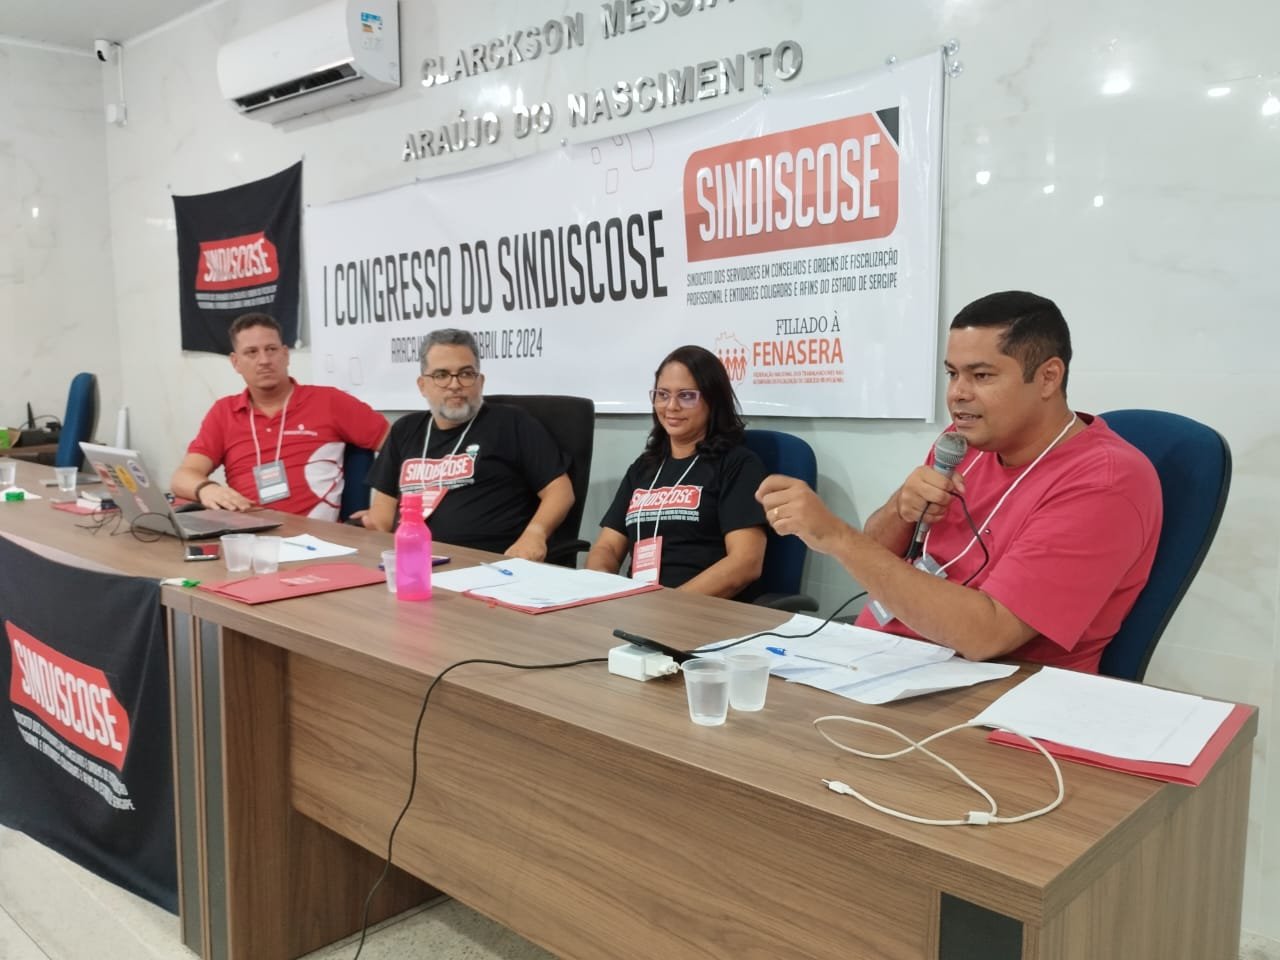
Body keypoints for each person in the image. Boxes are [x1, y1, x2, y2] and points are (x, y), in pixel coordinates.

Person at [757, 291, 1162, 672]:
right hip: (886, 657)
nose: (957, 394)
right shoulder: (961, 442)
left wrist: (836, 536)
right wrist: (900, 509)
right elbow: (874, 555)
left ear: (1048, 377)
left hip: (996, 689)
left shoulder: (1105, 481)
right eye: (952, 374)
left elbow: (988, 635)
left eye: (981, 375)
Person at [364, 329, 573, 561]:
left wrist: (534, 534)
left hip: (488, 564)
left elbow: (560, 491)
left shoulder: (511, 423)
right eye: (442, 375)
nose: (455, 384)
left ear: (480, 381)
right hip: (412, 560)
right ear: (422, 385)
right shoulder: (405, 430)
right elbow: (382, 513)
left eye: (465, 374)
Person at [585, 344, 767, 600]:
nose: (671, 406)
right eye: (662, 394)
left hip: (700, 610)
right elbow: (607, 548)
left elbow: (745, 563)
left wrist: (669, 605)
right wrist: (602, 589)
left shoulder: (738, 465)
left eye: (686, 396)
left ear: (713, 400)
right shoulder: (644, 467)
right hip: (638, 607)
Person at [172, 313, 389, 521]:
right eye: (251, 352)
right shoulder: (224, 412)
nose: (264, 360)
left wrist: (382, 511)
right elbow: (183, 477)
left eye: (271, 349)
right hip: (248, 534)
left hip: (318, 538)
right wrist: (207, 489)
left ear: (285, 354)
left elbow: (401, 449)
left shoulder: (330, 401)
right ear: (235, 362)